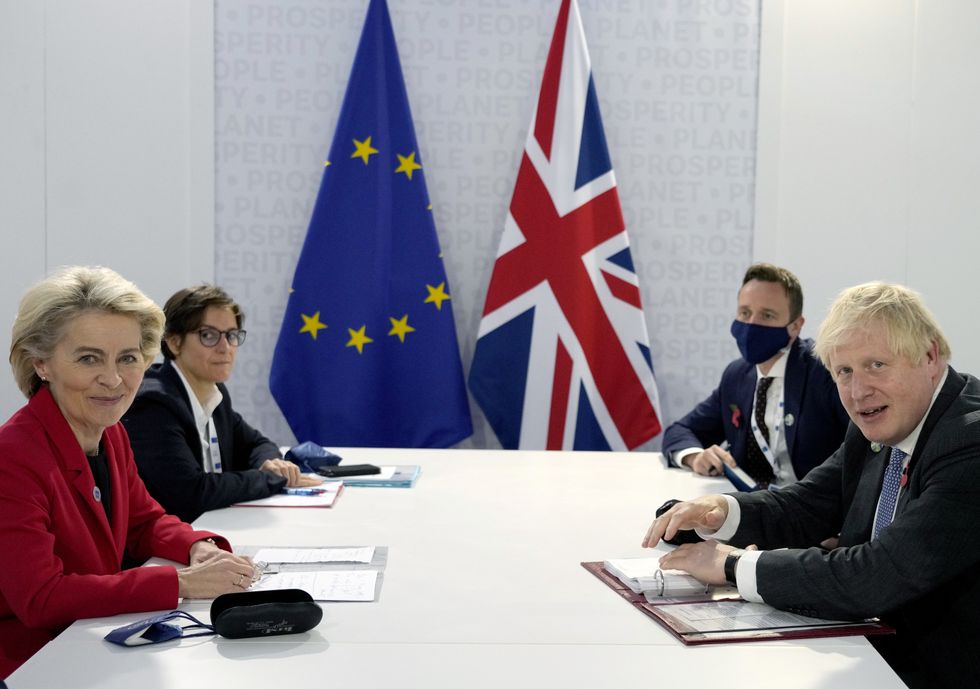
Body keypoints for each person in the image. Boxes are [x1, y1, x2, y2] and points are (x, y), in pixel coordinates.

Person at [643, 282, 980, 688]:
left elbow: (877, 576)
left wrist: (731, 565)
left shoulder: (969, 442)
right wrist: (722, 513)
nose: (857, 392)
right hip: (871, 653)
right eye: (844, 371)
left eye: (876, 365)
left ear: (929, 356)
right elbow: (806, 505)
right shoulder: (882, 419)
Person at [0, 266, 259, 679]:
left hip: (92, 642)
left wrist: (197, 547)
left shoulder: (112, 433)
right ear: (42, 365)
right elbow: (41, 598)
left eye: (128, 358)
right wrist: (184, 584)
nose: (113, 379)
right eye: (88, 358)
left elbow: (143, 521)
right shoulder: (12, 456)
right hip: (31, 664)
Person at [122, 284, 318, 524]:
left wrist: (270, 463)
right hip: (160, 551)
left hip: (213, 529)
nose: (225, 348)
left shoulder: (214, 393)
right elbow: (192, 494)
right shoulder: (153, 404)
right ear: (174, 342)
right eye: (208, 335)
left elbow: (257, 444)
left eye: (232, 335)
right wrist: (271, 478)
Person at [662, 263, 850, 486]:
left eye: (767, 315)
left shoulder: (826, 371)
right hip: (752, 507)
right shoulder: (736, 375)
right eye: (745, 313)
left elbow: (863, 451)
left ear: (795, 326)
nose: (751, 325)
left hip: (814, 509)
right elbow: (681, 430)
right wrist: (695, 457)